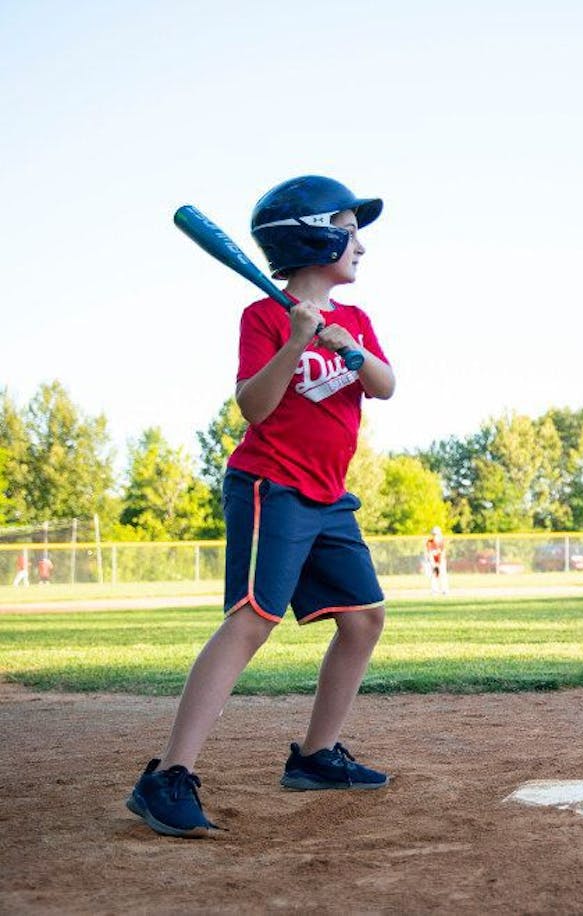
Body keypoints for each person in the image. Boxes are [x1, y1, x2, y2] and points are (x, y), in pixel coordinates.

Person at [126, 176, 396, 838]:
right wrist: (298, 341)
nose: (359, 242)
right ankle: (167, 776)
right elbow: (254, 405)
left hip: (329, 497)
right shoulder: (266, 318)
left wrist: (348, 350)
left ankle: (314, 757)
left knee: (364, 619)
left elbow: (386, 386)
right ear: (313, 236)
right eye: (347, 227)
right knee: (253, 619)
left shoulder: (355, 321)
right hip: (269, 486)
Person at [424, 526, 449, 595]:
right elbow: (430, 554)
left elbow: (443, 553)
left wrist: (439, 563)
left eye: (437, 534)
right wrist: (434, 564)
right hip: (432, 561)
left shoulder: (441, 542)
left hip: (441, 560)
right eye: (434, 534)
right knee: (433, 575)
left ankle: (444, 590)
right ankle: (434, 590)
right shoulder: (429, 542)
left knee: (443, 574)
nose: (435, 536)